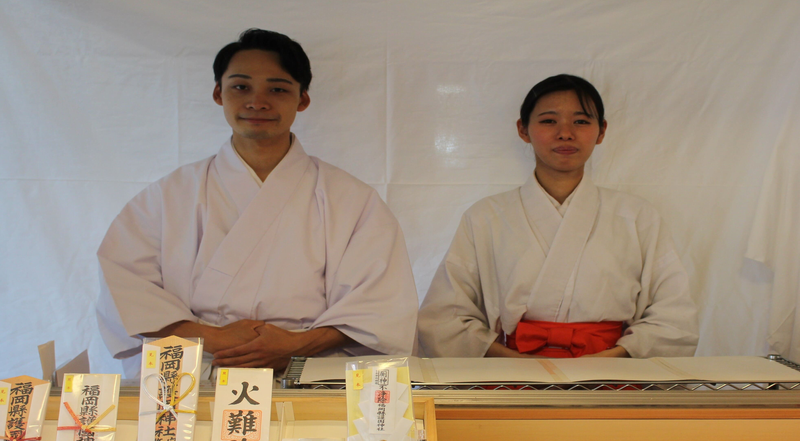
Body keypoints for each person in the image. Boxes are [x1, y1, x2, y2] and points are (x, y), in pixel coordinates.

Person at [96, 29, 418, 377]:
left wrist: (295, 347)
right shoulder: (169, 195)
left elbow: (380, 304)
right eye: (241, 87)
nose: (257, 101)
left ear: (302, 99)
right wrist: (213, 337)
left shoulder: (351, 199)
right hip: (196, 368)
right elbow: (125, 288)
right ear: (219, 93)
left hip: (309, 368)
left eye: (278, 89)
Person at [418, 74, 698, 359]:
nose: (565, 133)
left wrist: (613, 359)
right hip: (512, 376)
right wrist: (509, 361)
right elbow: (444, 318)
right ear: (523, 129)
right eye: (549, 121)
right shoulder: (485, 217)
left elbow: (673, 317)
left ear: (601, 131)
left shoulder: (637, 217)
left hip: (613, 377)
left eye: (581, 121)